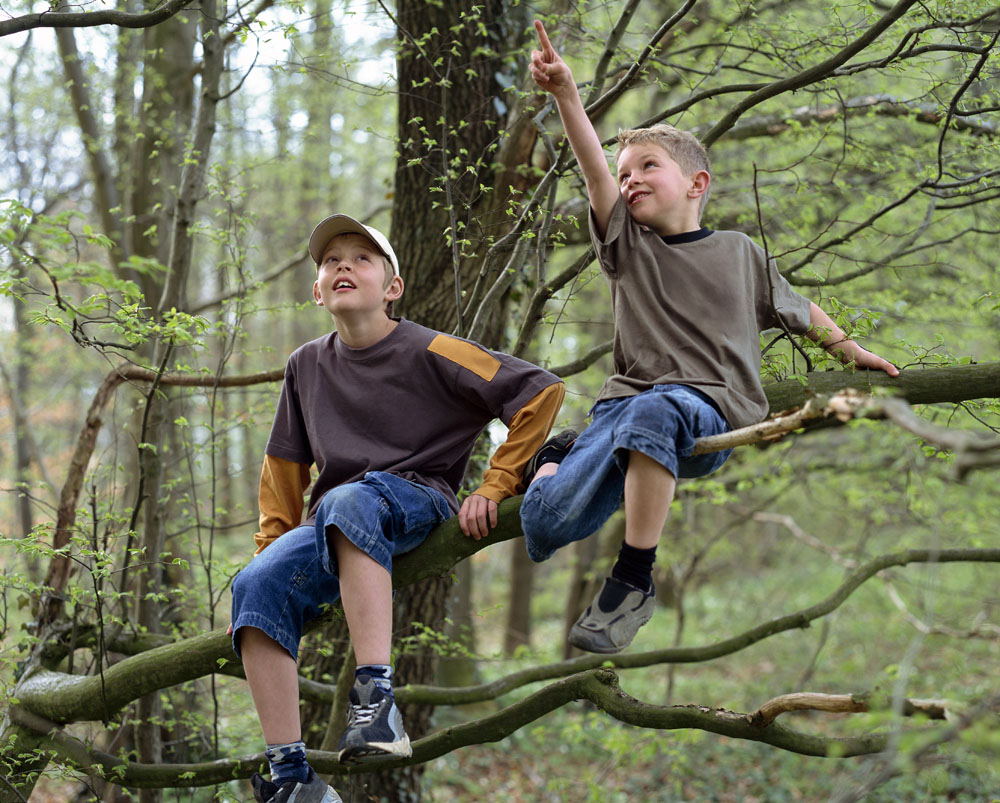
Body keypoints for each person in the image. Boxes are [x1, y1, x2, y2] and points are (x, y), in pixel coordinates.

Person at [518, 20, 900, 655]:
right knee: (543, 523)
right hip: (623, 415)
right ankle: (559, 452)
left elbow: (801, 310)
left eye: (647, 166)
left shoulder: (739, 252)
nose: (629, 178)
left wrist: (852, 351)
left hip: (703, 414)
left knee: (658, 407)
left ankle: (634, 577)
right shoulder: (628, 248)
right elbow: (592, 177)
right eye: (624, 170)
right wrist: (567, 98)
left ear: (697, 183)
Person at [230, 213, 564, 803]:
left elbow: (539, 389)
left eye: (361, 258)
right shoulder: (305, 365)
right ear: (316, 290)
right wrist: (278, 557)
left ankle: (377, 702)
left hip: (417, 498)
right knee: (253, 584)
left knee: (347, 499)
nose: (342, 267)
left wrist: (496, 484)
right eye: (331, 261)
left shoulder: (433, 348)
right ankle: (290, 776)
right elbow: (283, 468)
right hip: (334, 519)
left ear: (392, 288)